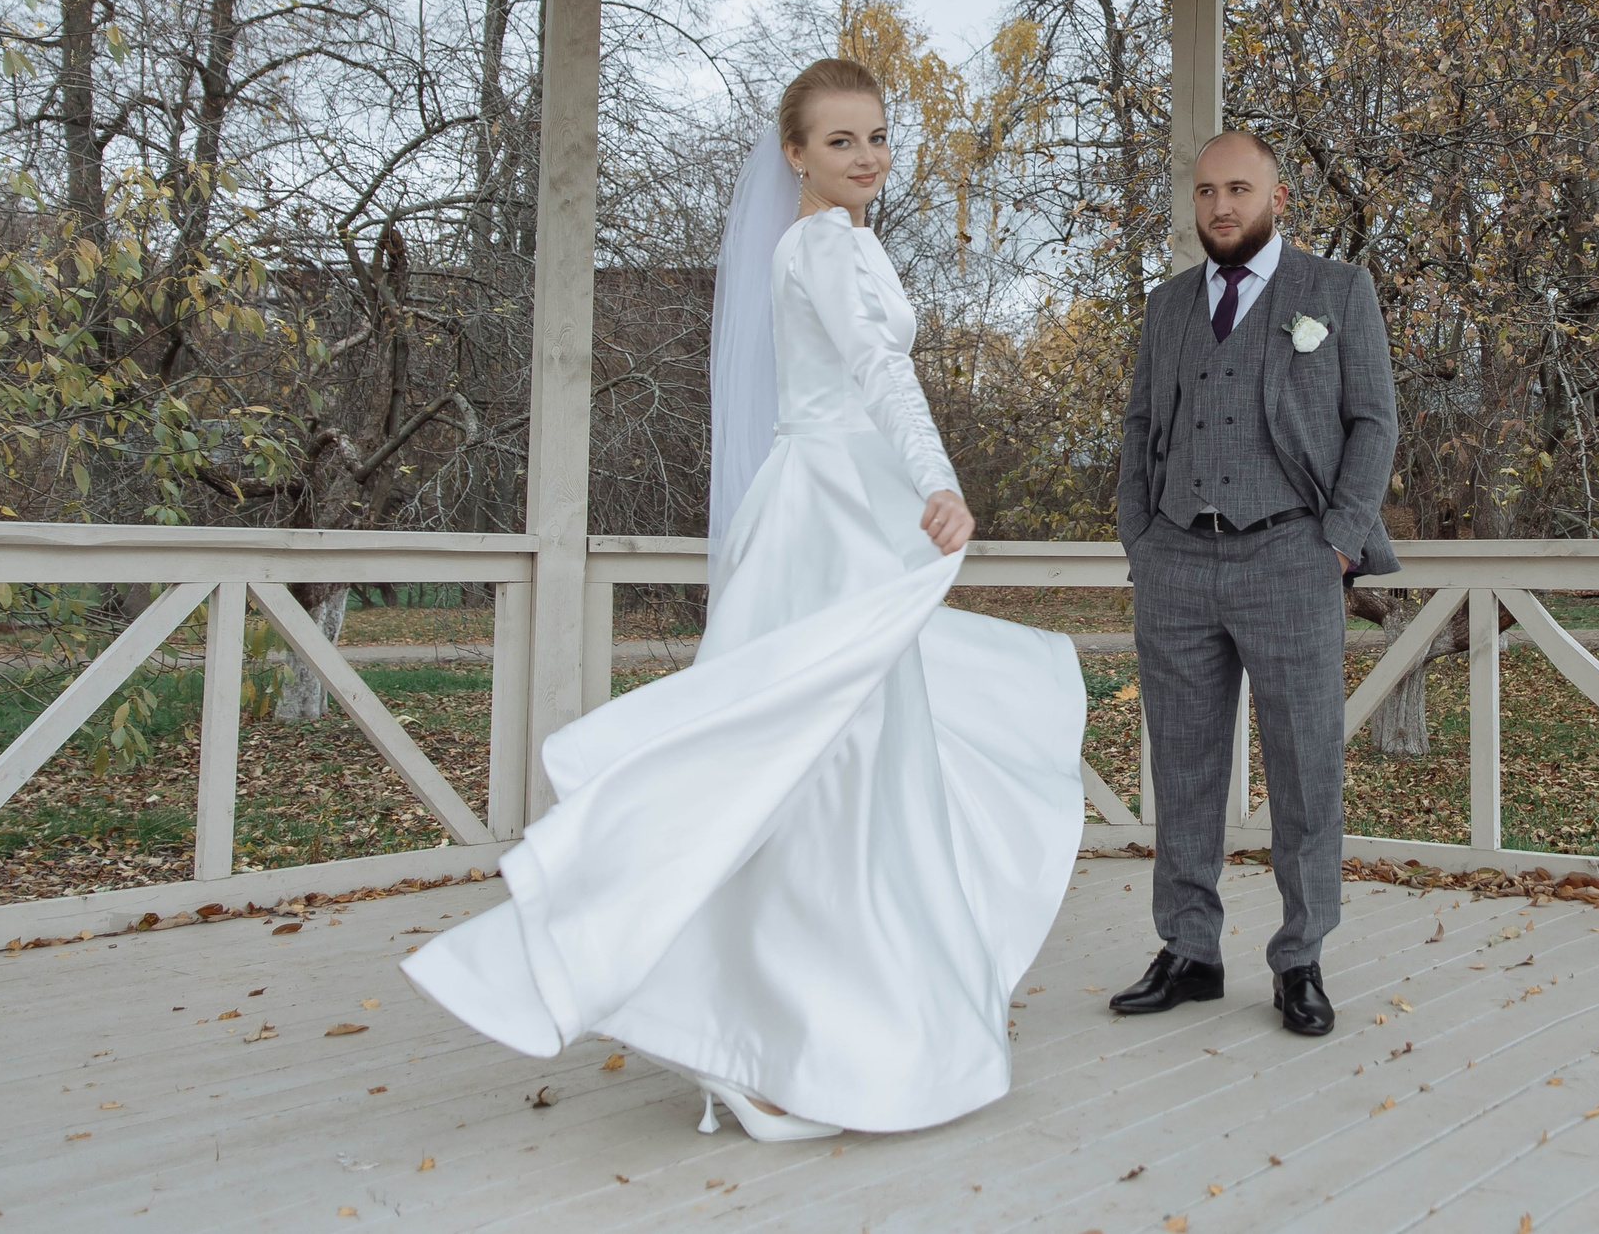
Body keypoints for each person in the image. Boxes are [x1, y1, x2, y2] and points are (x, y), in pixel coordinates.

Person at [403, 58, 1087, 1141]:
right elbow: (878, 371)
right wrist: (937, 480)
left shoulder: (833, 243)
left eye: (875, 137)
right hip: (835, 521)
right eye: (840, 142)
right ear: (794, 155)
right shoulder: (822, 245)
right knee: (829, 771)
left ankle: (786, 1031)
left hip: (829, 512)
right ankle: (790, 1039)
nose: (866, 158)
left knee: (815, 768)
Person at [1109, 130, 1400, 1037]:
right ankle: (1189, 951)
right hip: (1178, 563)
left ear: (1279, 197)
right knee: (1185, 768)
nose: (1220, 206)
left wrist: (1337, 544)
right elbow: (1138, 429)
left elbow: (1374, 423)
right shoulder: (1166, 307)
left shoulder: (1337, 291)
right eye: (1205, 192)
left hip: (1290, 556)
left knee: (1307, 769)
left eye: (1239, 189)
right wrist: (1141, 543)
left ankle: (1301, 957)